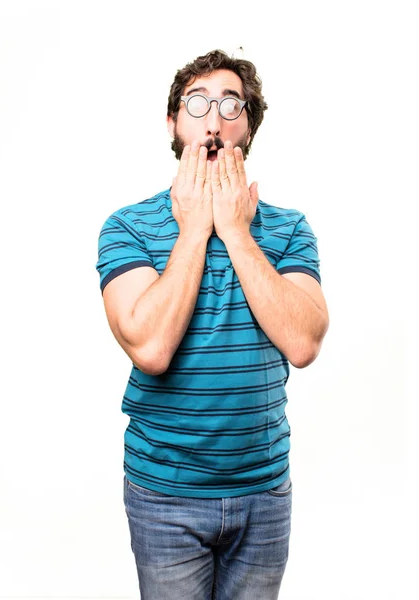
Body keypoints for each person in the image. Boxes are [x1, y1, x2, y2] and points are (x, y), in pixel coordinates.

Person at [96, 49, 329, 600]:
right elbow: (149, 346)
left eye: (231, 104)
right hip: (164, 496)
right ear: (173, 123)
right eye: (197, 103)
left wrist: (237, 231)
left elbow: (303, 342)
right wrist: (195, 230)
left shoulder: (289, 229)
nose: (214, 118)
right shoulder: (127, 227)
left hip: (264, 494)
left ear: (248, 127)